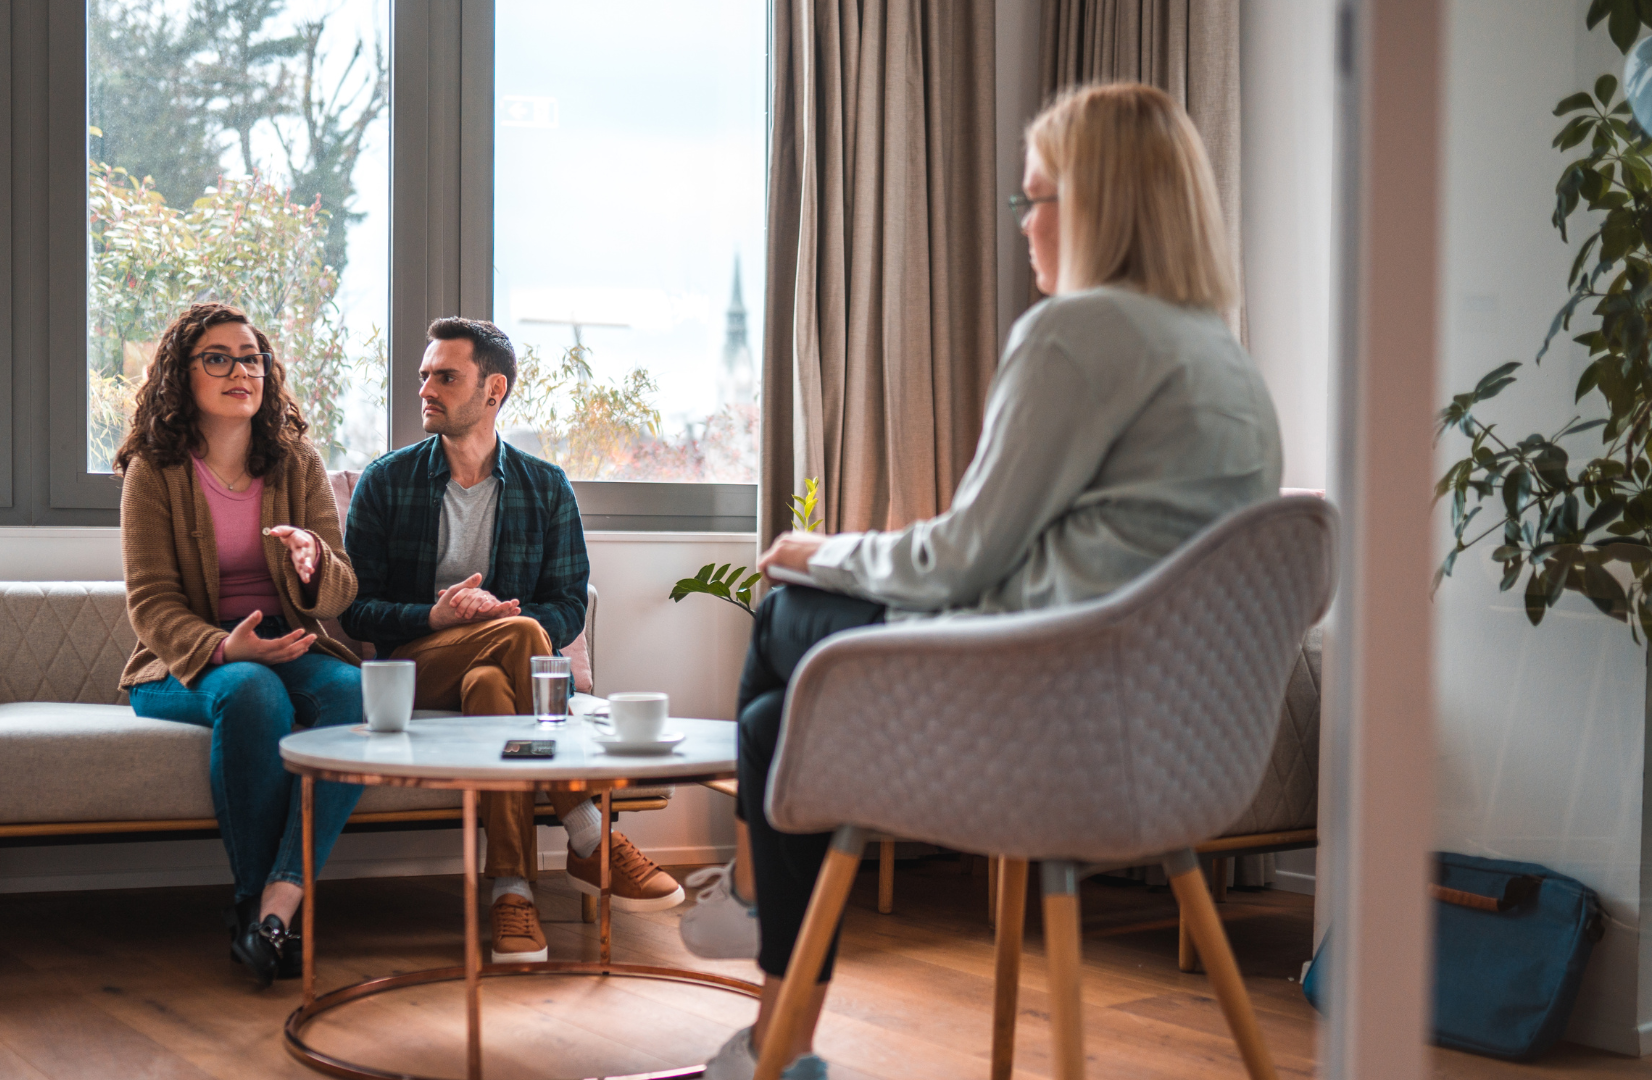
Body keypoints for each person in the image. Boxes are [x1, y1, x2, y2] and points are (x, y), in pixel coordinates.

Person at [684, 82, 1285, 1080]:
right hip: (1177, 746)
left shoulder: (1078, 332)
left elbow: (963, 558)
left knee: (786, 611)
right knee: (771, 733)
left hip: (1041, 718)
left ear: (1098, 206)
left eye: (1035, 199)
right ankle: (774, 1033)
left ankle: (760, 937)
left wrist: (818, 549)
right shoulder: (1228, 362)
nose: (1024, 226)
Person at [341, 316, 685, 964]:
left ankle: (513, 893)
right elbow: (355, 610)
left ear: (493, 390)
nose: (427, 389)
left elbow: (567, 605)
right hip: (418, 664)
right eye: (424, 375)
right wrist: (436, 617)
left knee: (493, 682)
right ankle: (588, 832)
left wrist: (500, 623)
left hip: (496, 677)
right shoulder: (386, 482)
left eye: (445, 376)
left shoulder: (544, 485)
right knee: (519, 633)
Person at [115, 302, 365, 987]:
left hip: (290, 647)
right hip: (187, 663)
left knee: (353, 693)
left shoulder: (296, 462)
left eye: (250, 358)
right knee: (253, 694)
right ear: (181, 376)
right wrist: (227, 650)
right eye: (217, 358)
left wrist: (314, 561)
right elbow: (152, 604)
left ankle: (279, 901)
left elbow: (341, 589)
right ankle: (259, 911)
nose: (238, 371)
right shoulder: (155, 470)